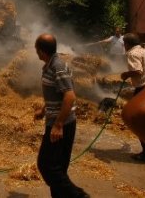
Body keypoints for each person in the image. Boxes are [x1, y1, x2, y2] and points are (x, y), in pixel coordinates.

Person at [34, 34, 89, 198]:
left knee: (46, 166)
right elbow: (57, 93)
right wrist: (43, 110)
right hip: (58, 121)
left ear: (42, 51)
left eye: (36, 49)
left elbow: (69, 96)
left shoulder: (57, 66)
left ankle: (79, 196)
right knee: (58, 167)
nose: (35, 52)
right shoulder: (50, 65)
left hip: (61, 124)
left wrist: (58, 125)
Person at [120, 33, 145, 163]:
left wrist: (126, 74)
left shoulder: (132, 53)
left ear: (126, 44)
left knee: (136, 119)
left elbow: (137, 71)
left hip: (143, 89)